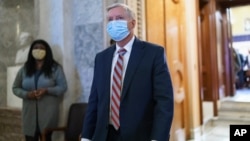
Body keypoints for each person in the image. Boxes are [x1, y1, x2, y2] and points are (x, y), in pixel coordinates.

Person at [81, 3, 173, 141]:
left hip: (141, 135)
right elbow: (94, 100)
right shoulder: (101, 58)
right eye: (110, 20)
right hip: (104, 135)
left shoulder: (153, 53)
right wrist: (86, 136)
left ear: (132, 23)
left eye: (119, 18)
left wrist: (158, 138)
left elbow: (164, 101)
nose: (114, 23)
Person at [12, 39, 68, 141]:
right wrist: (27, 94)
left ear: (47, 51)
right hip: (29, 115)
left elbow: (63, 87)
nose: (38, 50)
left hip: (48, 114)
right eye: (35, 48)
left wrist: (47, 90)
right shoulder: (25, 69)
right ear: (31, 51)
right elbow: (15, 88)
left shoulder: (55, 68)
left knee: (46, 137)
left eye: (42, 48)